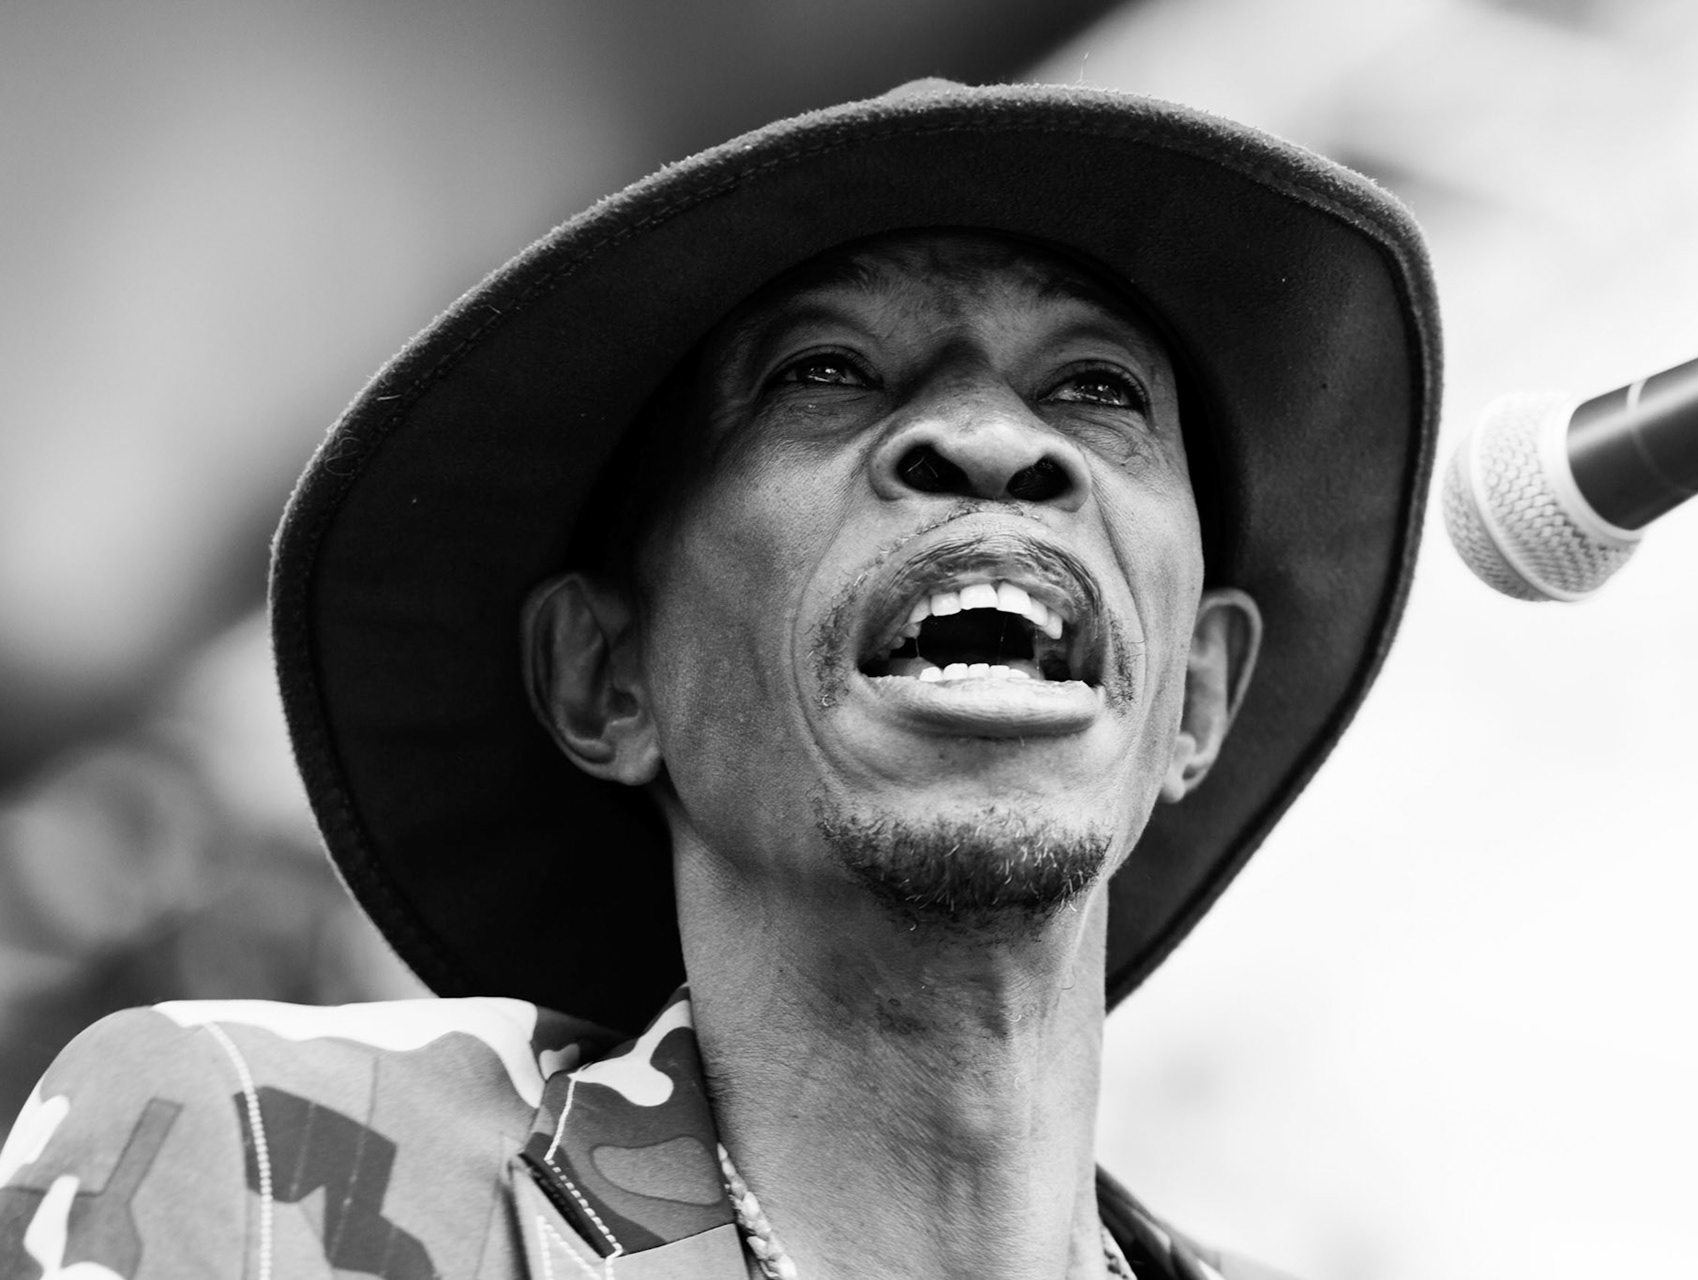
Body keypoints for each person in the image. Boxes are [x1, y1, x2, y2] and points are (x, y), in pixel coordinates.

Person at [0, 80, 1437, 1280]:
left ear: (1195, 692)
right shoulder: (265, 1161)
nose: (996, 442)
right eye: (823, 373)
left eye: (1098, 389)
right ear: (605, 678)